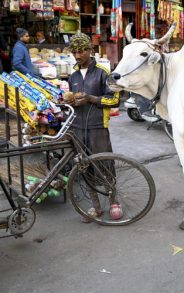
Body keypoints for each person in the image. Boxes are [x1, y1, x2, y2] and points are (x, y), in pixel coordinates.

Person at [64, 32, 121, 223]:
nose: (78, 56)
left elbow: (114, 99)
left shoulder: (103, 73)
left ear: (90, 50)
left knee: (105, 164)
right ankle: (96, 207)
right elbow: (72, 100)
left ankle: (114, 201)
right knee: (84, 166)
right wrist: (70, 102)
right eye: (74, 52)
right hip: (78, 127)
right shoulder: (72, 77)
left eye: (81, 51)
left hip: (98, 126)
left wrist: (91, 99)